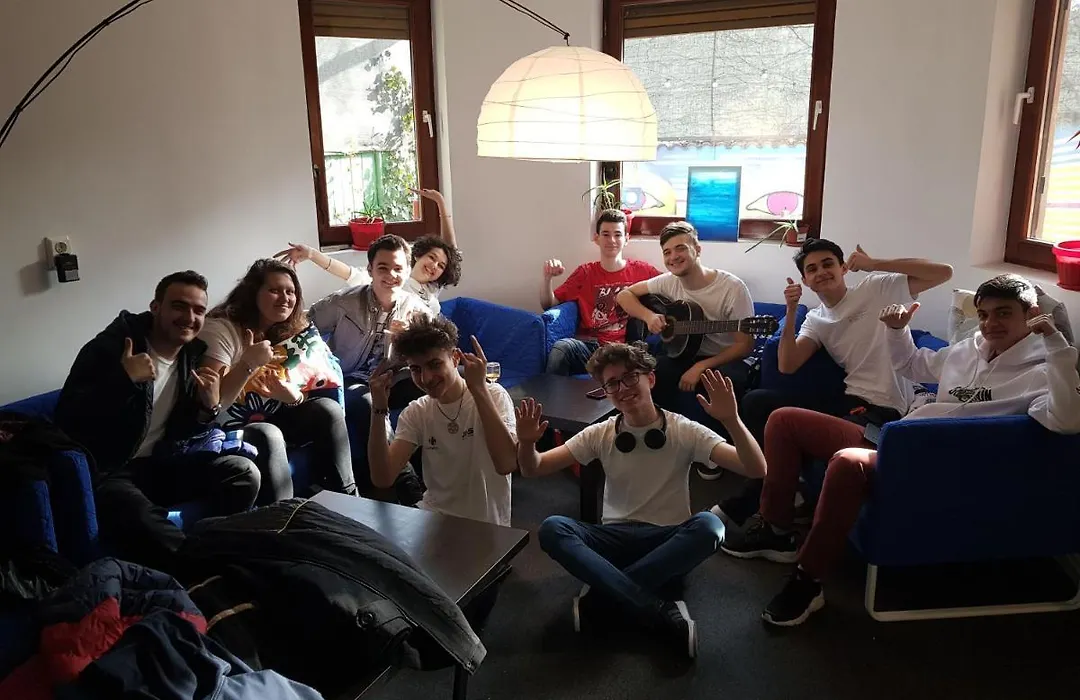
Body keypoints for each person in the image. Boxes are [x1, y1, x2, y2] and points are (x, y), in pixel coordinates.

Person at [720, 274, 1080, 627]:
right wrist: (897, 330)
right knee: (784, 420)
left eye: (1003, 313)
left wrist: (1057, 347)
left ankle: (808, 580)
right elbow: (912, 365)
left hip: (947, 464)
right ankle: (777, 529)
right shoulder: (969, 349)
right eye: (984, 315)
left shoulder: (1044, 369)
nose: (990, 324)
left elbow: (1066, 421)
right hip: (904, 442)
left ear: (1031, 315)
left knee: (847, 463)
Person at [515, 342, 767, 659]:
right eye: (612, 383)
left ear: (651, 378)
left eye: (630, 377)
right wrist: (526, 443)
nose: (622, 388)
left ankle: (603, 597)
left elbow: (756, 468)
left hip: (667, 541)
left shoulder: (684, 430)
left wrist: (732, 420)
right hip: (613, 539)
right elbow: (534, 468)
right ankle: (656, 607)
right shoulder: (600, 433)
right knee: (553, 528)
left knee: (710, 526)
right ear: (606, 393)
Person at [710, 237, 953, 504]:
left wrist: (874, 263)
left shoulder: (876, 288)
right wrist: (791, 311)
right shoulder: (816, 319)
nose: (821, 272)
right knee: (757, 401)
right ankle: (781, 483)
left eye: (828, 264)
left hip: (881, 406)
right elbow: (787, 364)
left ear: (843, 268)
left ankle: (757, 500)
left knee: (816, 448)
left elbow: (943, 272)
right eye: (812, 269)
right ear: (805, 281)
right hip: (845, 399)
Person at [54, 271, 260, 576]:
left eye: (199, 310)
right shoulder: (111, 348)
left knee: (242, 473)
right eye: (179, 306)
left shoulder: (192, 356)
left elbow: (185, 432)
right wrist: (123, 379)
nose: (189, 318)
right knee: (138, 514)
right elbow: (68, 417)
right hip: (110, 470)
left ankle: (221, 546)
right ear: (155, 307)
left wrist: (208, 407)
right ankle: (209, 574)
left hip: (163, 464)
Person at [199, 259, 355, 501]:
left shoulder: (294, 330)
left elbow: (307, 386)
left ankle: (347, 500)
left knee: (327, 409)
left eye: (290, 292)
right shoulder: (221, 330)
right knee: (268, 433)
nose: (285, 299)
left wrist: (293, 397)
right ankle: (283, 517)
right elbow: (211, 404)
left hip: (273, 411)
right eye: (274, 290)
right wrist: (248, 363)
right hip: (228, 426)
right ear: (252, 293)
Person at [308, 233, 432, 501]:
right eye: (383, 268)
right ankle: (405, 483)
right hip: (353, 380)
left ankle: (441, 474)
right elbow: (305, 325)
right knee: (368, 402)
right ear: (370, 270)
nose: (391, 275)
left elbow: (435, 350)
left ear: (407, 271)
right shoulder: (344, 302)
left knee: (434, 384)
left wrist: (411, 338)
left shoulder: (417, 309)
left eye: (398, 268)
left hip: (395, 378)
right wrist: (319, 359)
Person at [367, 316, 517, 526]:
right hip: (433, 519)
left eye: (434, 365)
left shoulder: (494, 395)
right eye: (416, 369)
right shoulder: (417, 411)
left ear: (455, 358)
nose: (426, 378)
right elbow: (383, 478)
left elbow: (506, 463)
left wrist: (479, 390)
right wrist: (378, 408)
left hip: (486, 527)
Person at [615, 221, 755, 417]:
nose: (673, 257)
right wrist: (649, 316)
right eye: (667, 252)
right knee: (650, 374)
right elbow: (624, 295)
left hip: (725, 358)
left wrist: (701, 366)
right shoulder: (668, 282)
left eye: (680, 248)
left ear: (697, 250)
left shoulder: (732, 288)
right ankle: (662, 429)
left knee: (725, 382)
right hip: (684, 354)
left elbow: (745, 345)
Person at [275, 188, 461, 315]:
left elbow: (451, 251)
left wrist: (440, 202)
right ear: (419, 254)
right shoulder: (394, 279)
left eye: (441, 266)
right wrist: (312, 254)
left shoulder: (431, 287)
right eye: (432, 258)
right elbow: (347, 272)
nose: (434, 266)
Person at [541, 209, 660, 375]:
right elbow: (549, 304)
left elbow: (669, 285)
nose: (611, 240)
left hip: (628, 349)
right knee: (561, 349)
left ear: (626, 239)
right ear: (597, 238)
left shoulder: (642, 270)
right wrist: (547, 278)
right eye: (605, 234)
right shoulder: (585, 272)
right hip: (594, 348)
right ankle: (549, 392)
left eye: (617, 234)